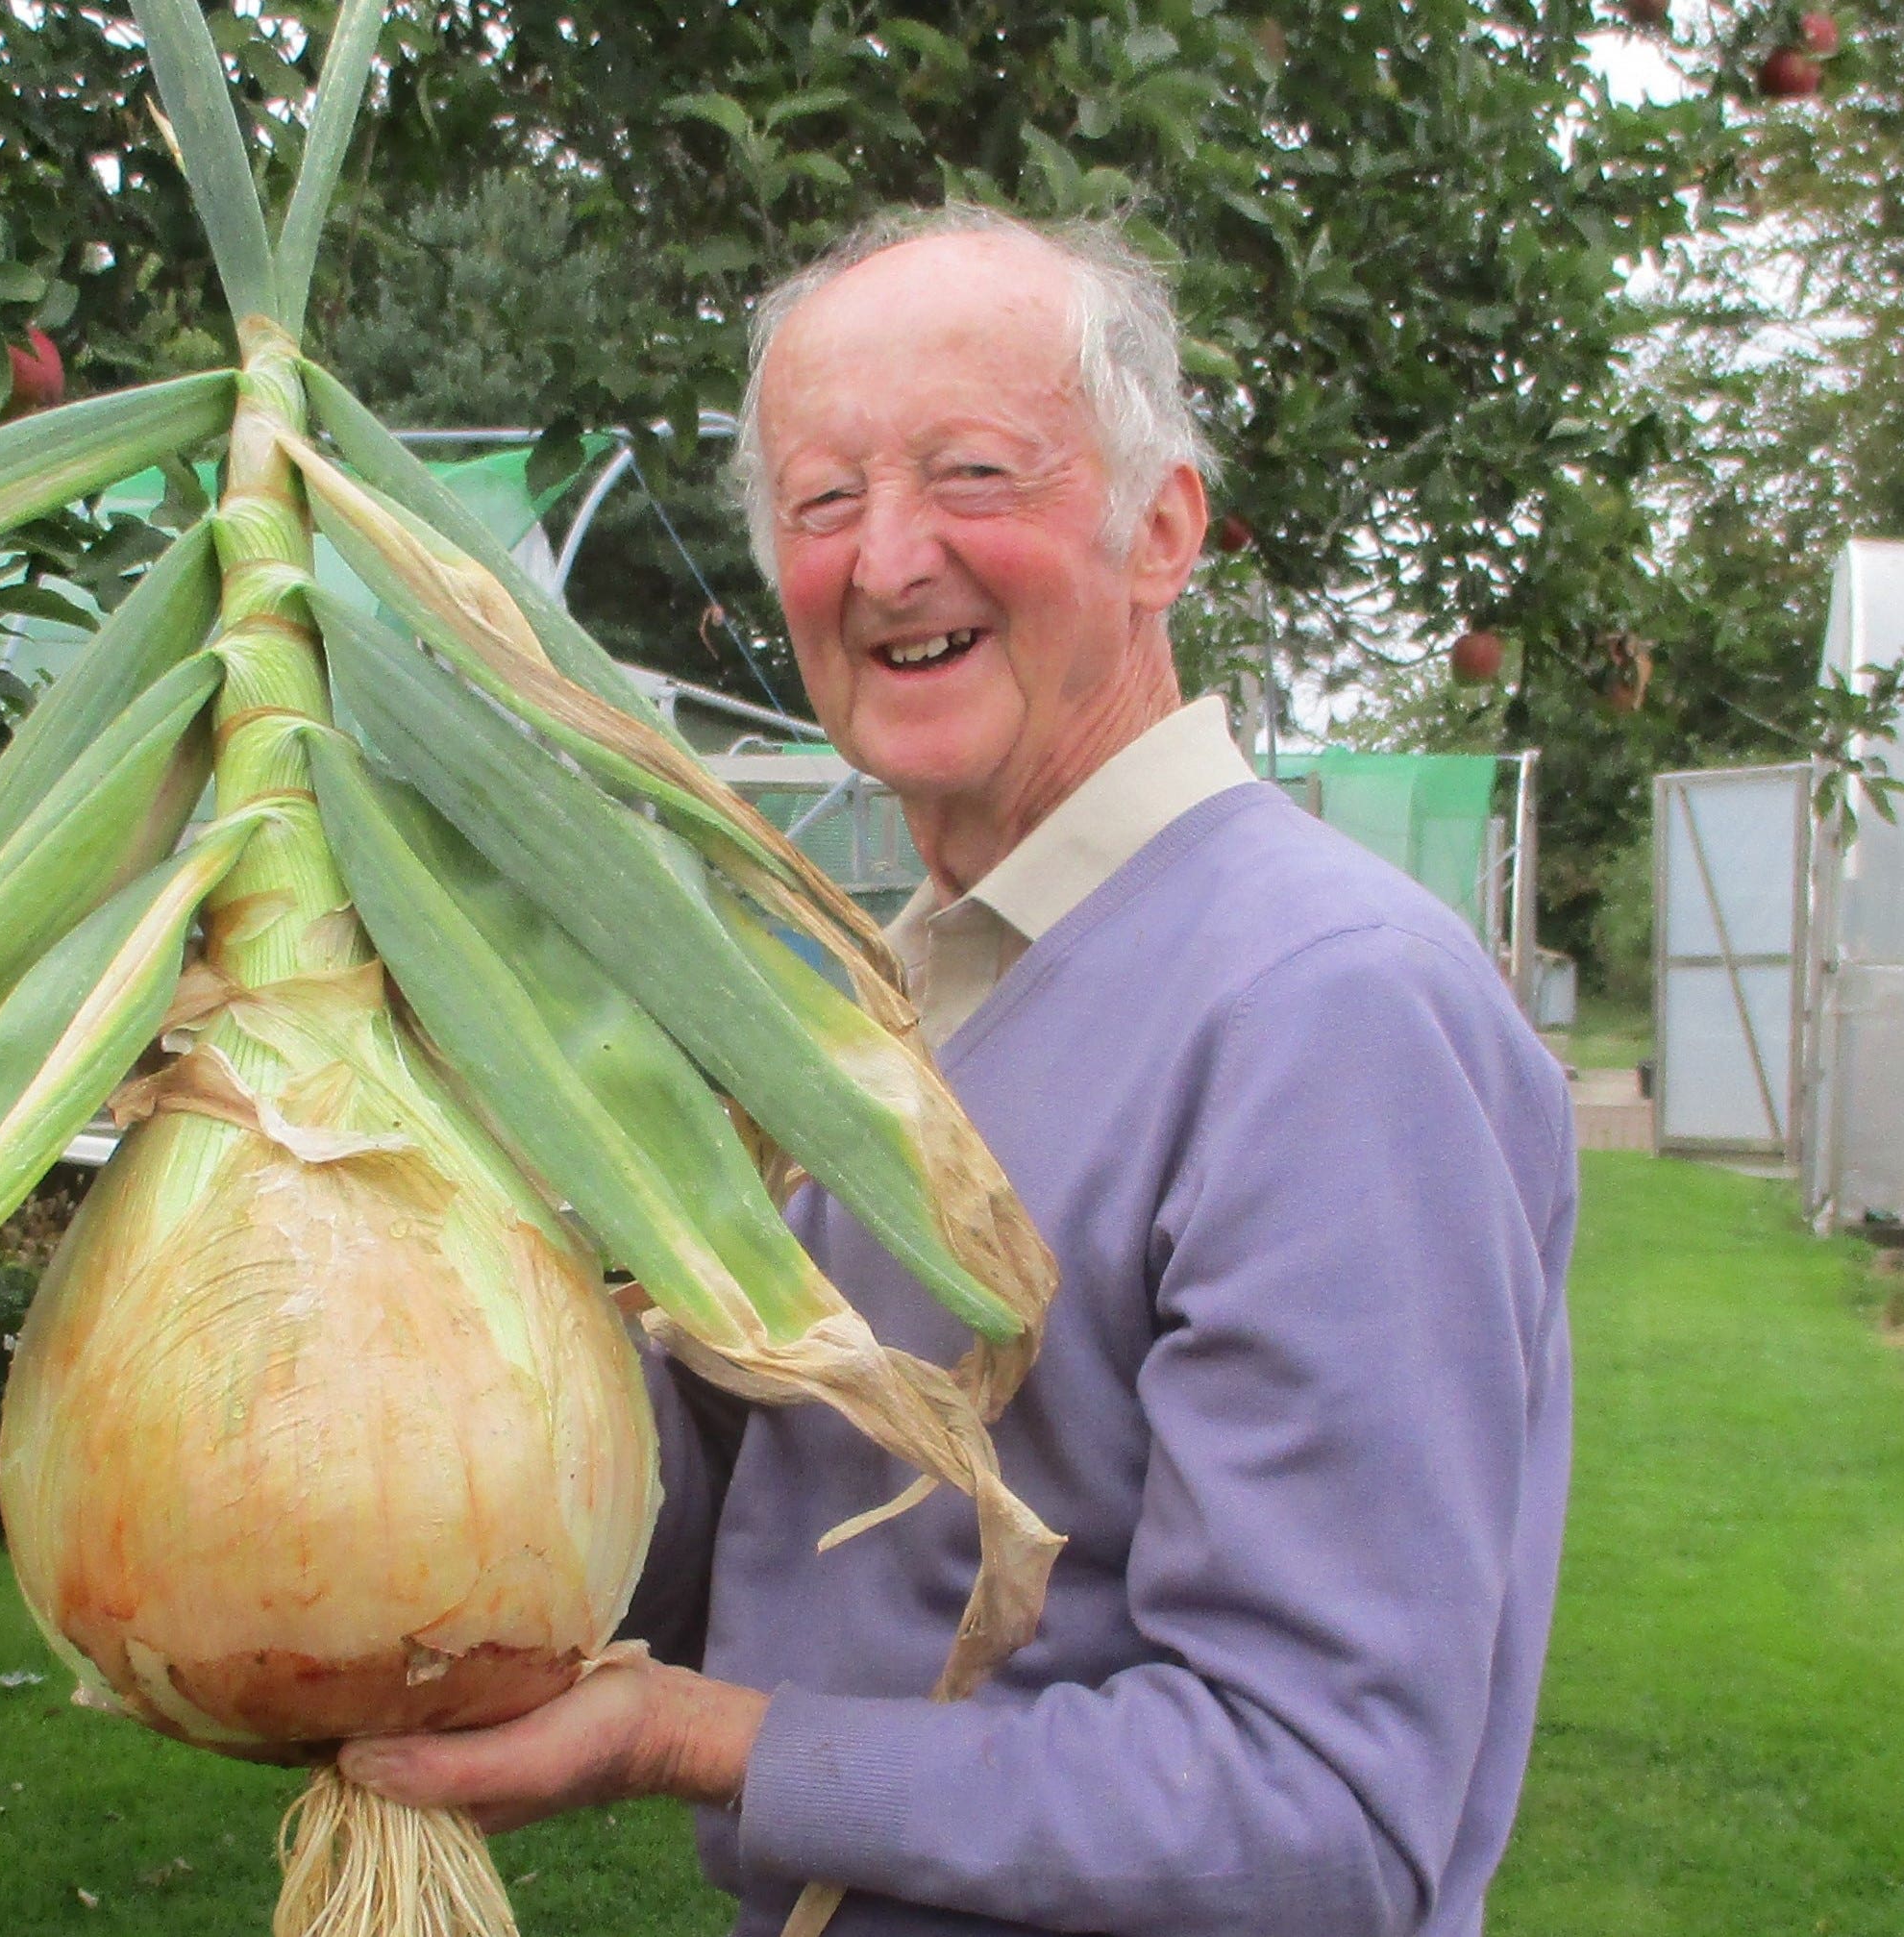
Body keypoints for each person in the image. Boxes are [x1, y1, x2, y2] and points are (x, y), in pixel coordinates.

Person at [335, 205, 1579, 1937]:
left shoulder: (1325, 1010)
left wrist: (700, 1742)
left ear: (1164, 530)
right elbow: (751, 1527)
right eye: (821, 503)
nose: (889, 558)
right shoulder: (868, 1009)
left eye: (974, 475)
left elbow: (1316, 1820)